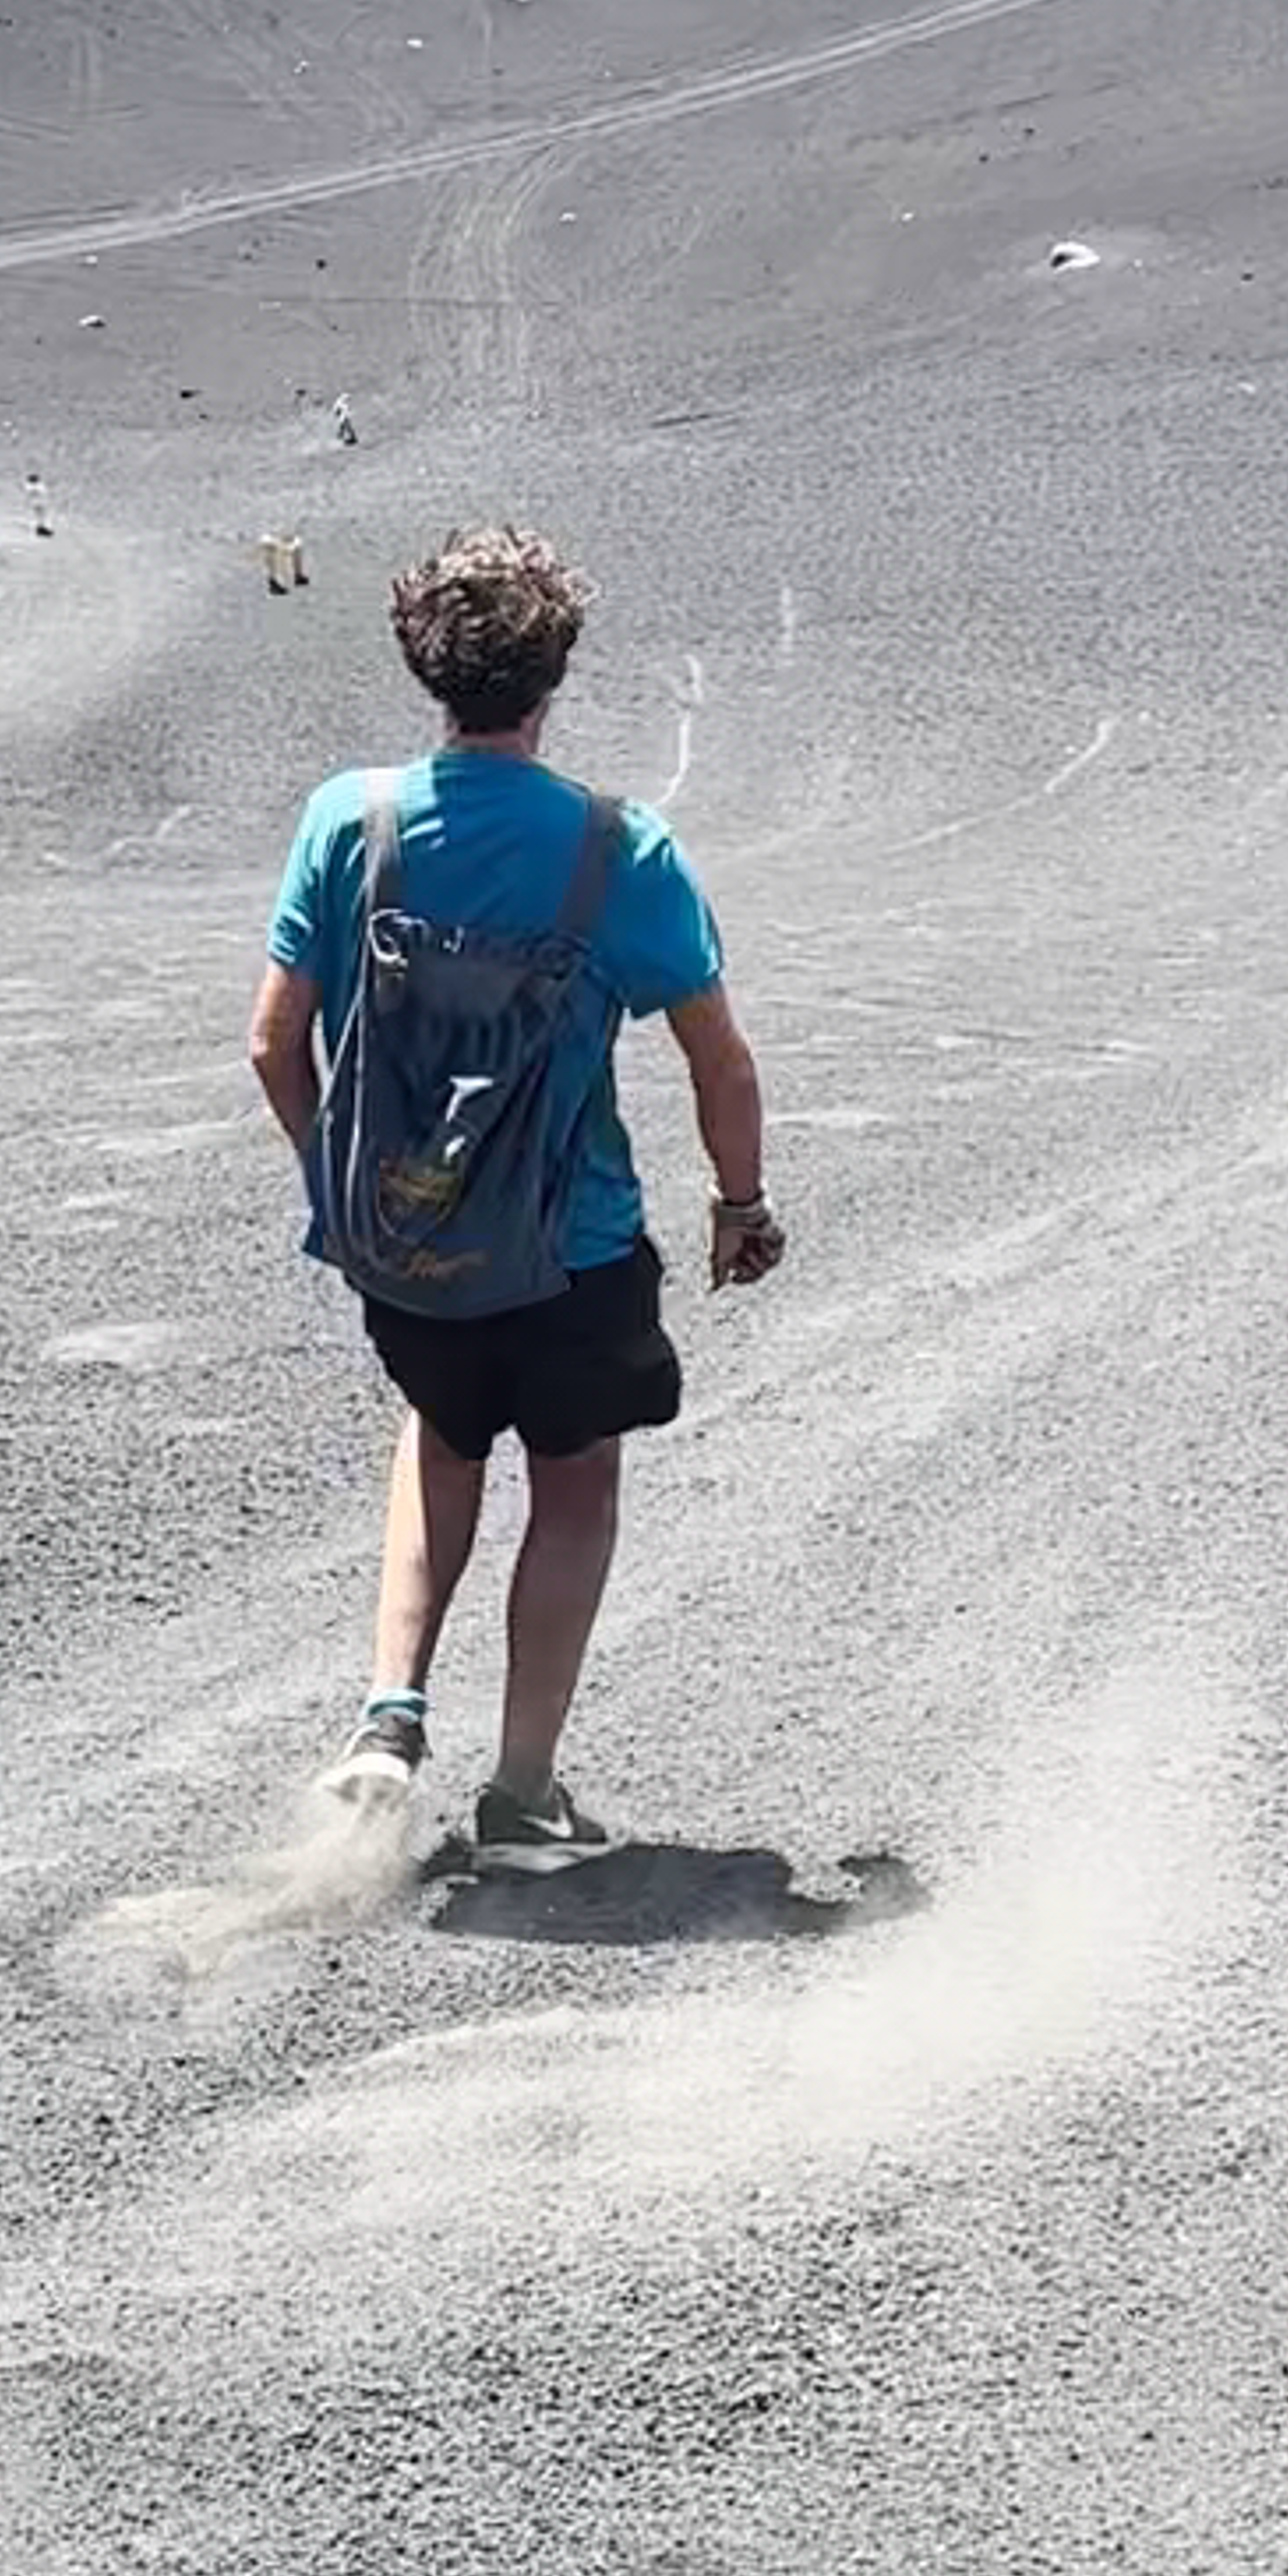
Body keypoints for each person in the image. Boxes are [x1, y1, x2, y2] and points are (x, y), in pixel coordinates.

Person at [247, 518, 780, 1871]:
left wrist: (353, 1193)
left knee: (441, 1432)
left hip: (407, 1247)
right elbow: (717, 1055)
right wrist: (738, 1202)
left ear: (430, 667)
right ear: (551, 680)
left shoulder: (347, 820)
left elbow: (271, 1039)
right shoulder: (620, 850)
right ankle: (524, 1788)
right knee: (576, 1483)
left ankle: (387, 1718)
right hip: (572, 1249)